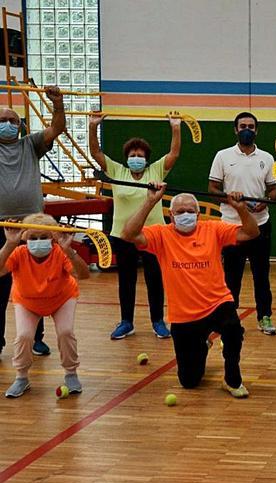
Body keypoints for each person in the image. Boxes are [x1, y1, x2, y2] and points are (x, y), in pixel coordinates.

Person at [122, 183, 258, 398]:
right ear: (171, 215)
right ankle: (202, 344)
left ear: (198, 214)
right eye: (180, 212)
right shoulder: (160, 235)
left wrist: (240, 208)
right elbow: (128, 234)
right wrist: (150, 200)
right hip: (184, 315)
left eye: (190, 211)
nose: (186, 215)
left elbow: (251, 233)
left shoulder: (213, 229)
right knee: (189, 381)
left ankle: (232, 379)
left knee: (233, 329)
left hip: (217, 302)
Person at [89, 114, 181, 340]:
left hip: (153, 236)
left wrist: (176, 128)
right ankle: (126, 322)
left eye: (140, 156)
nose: (136, 158)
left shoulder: (155, 171)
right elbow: (96, 153)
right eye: (133, 155)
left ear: (147, 159)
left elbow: (174, 153)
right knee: (126, 280)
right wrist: (92, 127)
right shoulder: (117, 171)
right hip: (123, 235)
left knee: (154, 279)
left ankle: (158, 321)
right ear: (126, 158)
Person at [0, 85, 66, 357]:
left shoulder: (30, 144)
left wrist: (57, 104)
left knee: (35, 284)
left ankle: (36, 338)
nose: (7, 125)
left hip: (33, 227)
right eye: (2, 121)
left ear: (21, 125)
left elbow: (56, 129)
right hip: (1, 227)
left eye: (12, 121)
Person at [1, 214, 90, 398]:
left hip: (61, 298)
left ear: (52, 238)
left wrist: (70, 251)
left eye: (43, 237)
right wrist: (9, 244)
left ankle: (71, 373)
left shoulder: (60, 253)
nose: (38, 242)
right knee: (24, 336)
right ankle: (21, 378)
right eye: (33, 238)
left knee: (65, 332)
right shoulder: (18, 253)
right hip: (27, 301)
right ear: (25, 238)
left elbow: (84, 274)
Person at [208, 112, 276, 335]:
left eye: (250, 126)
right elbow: (212, 188)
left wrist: (265, 202)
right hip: (231, 227)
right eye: (242, 126)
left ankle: (264, 317)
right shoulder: (222, 156)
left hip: (260, 225)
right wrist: (229, 198)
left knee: (261, 274)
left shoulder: (267, 158)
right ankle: (230, 317)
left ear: (256, 130)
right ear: (235, 130)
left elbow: (274, 190)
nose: (246, 129)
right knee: (231, 276)